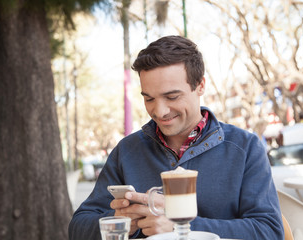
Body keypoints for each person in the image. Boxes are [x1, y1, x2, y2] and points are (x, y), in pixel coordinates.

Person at [68, 35, 284, 239]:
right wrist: (120, 222)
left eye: (172, 96)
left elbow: (270, 232)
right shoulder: (126, 151)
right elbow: (78, 227)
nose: (159, 111)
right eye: (149, 98)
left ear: (200, 85)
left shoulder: (245, 148)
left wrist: (182, 228)